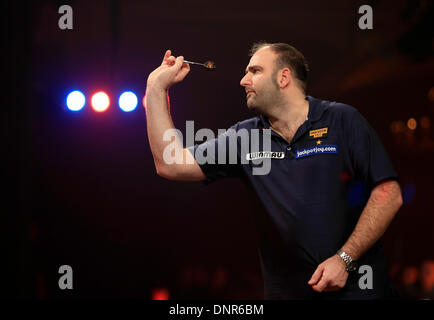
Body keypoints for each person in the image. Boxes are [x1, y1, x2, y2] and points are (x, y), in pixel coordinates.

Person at [145, 42, 403, 299]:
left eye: (254, 71)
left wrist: (345, 258)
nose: (243, 80)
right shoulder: (244, 136)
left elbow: (389, 193)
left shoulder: (341, 119)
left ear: (283, 77)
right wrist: (156, 88)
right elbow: (171, 163)